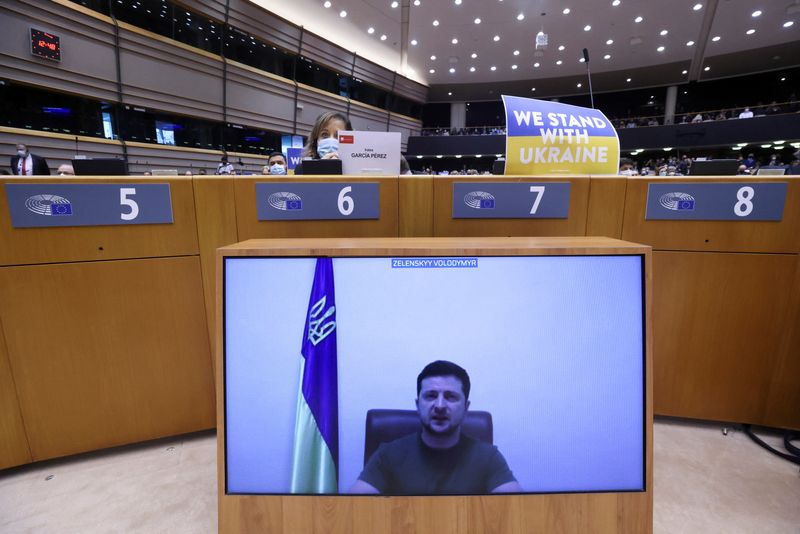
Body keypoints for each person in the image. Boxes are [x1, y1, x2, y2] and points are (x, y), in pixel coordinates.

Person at [350, 360, 522, 495]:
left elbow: (518, 512)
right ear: (418, 405)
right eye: (431, 396)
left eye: (450, 397)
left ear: (466, 408)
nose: (439, 405)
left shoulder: (488, 458)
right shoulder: (388, 455)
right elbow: (352, 511)